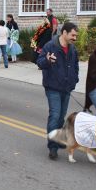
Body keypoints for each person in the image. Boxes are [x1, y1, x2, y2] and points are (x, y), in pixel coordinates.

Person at [37, 22, 79, 160]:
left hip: (66, 88)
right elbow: (40, 62)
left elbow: (75, 66)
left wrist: (74, 79)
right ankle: (53, 147)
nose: (75, 38)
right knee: (55, 115)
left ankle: (58, 139)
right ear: (64, 33)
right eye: (73, 35)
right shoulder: (51, 46)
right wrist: (47, 60)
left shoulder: (73, 49)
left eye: (76, 35)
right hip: (53, 87)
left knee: (61, 117)